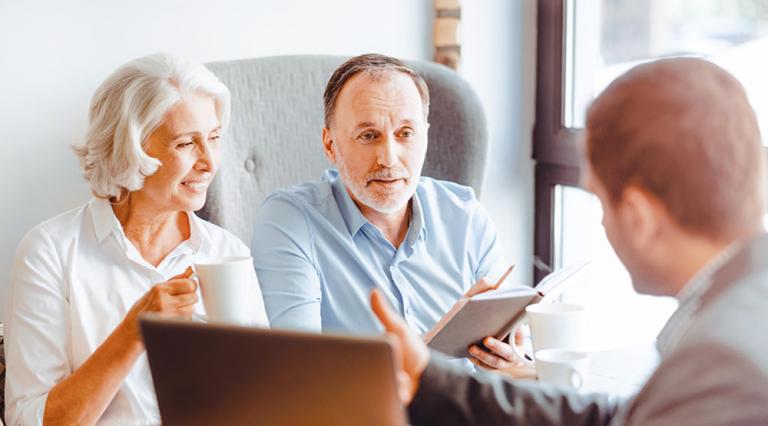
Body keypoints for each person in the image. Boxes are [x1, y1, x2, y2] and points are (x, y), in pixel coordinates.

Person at [370, 57, 768, 425]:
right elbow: (622, 418)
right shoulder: (742, 304)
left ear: (638, 218)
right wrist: (430, 375)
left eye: (598, 199)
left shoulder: (724, 361)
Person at [4, 53, 269, 425]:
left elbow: (265, 402)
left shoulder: (228, 254)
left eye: (213, 138)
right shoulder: (50, 252)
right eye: (185, 144)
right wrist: (133, 332)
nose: (210, 162)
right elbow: (29, 421)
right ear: (132, 148)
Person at [252, 53, 517, 370]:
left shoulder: (466, 215)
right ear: (330, 144)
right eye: (368, 136)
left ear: (425, 135)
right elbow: (300, 373)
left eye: (406, 133)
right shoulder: (290, 220)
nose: (389, 159)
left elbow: (510, 359)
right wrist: (446, 338)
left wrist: (508, 354)